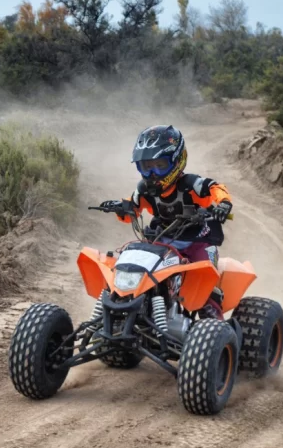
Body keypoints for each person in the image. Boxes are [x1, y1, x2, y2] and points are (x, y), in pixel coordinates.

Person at [99, 124, 233, 320]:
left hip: (196, 242)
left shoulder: (190, 184)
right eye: (147, 167)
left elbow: (215, 188)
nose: (153, 174)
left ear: (177, 161)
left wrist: (223, 204)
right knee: (130, 271)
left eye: (160, 166)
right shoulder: (144, 189)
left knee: (204, 285)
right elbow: (131, 211)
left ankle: (215, 326)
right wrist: (121, 208)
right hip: (160, 242)